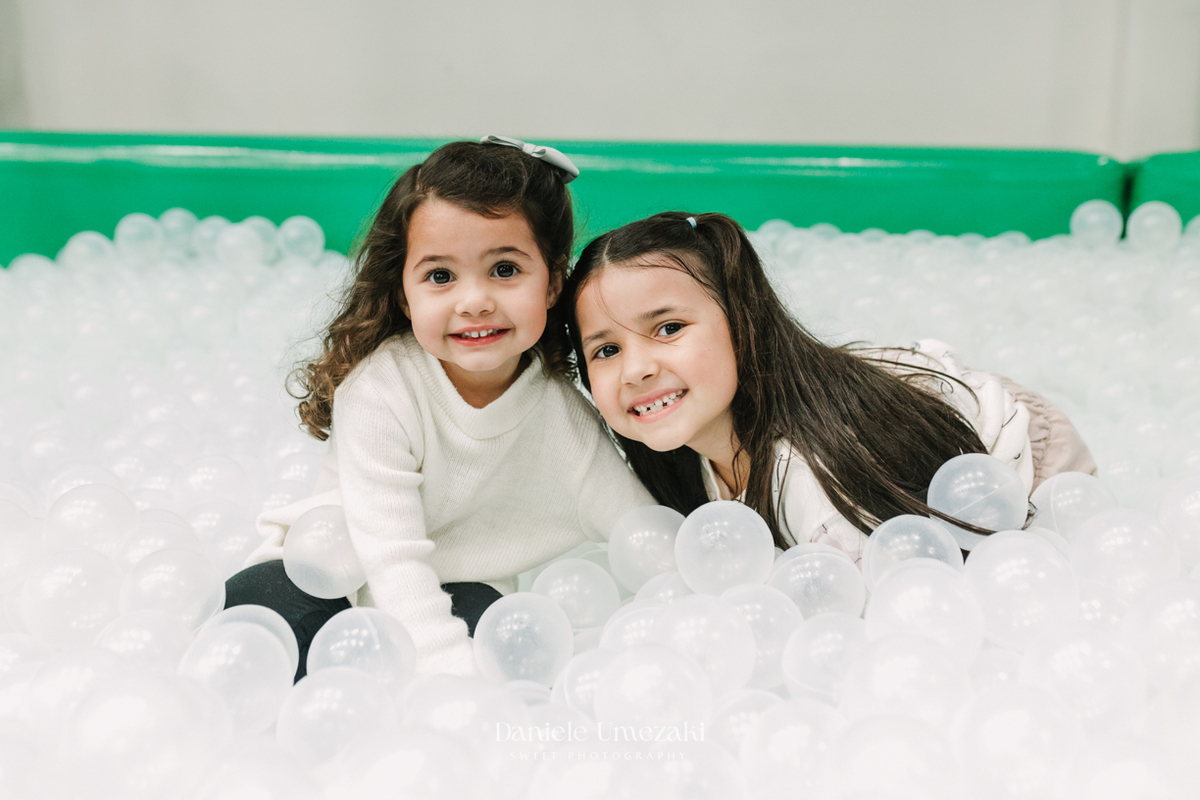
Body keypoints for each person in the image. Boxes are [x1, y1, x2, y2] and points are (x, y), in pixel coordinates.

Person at [226, 138, 653, 680]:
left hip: (454, 593)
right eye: (440, 277)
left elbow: (637, 527)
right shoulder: (383, 389)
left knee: (508, 643)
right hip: (336, 578)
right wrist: (447, 670)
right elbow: (391, 554)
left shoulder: (561, 417)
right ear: (405, 296)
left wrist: (699, 592)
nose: (473, 301)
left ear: (552, 283)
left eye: (504, 270)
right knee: (257, 616)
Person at [567, 211, 1095, 562]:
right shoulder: (684, 457)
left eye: (669, 329)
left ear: (742, 321)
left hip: (1027, 457)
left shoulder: (816, 494)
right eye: (606, 350)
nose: (635, 370)